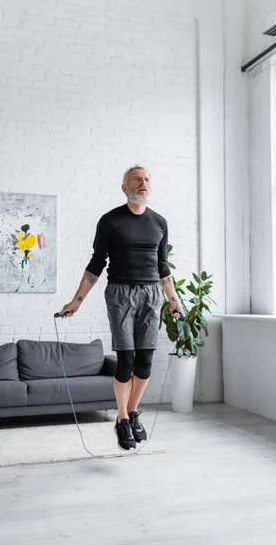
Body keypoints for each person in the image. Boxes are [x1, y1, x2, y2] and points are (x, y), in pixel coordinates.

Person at [60, 165, 183, 451]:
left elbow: (163, 266)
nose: (144, 183)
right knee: (126, 361)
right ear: (125, 188)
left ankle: (130, 414)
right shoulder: (110, 221)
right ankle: (123, 417)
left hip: (152, 295)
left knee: (145, 362)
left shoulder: (160, 223)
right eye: (137, 179)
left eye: (147, 179)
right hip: (120, 294)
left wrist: (173, 298)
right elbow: (96, 264)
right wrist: (76, 302)